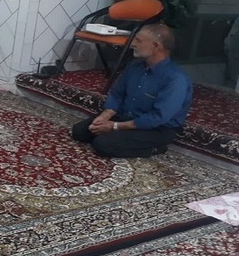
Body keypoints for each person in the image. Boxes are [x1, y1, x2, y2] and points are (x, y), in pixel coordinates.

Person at [71, 23, 193, 158]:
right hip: (128, 116)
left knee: (102, 144)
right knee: (79, 132)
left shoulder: (175, 79)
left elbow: (158, 117)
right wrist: (104, 117)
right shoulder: (135, 66)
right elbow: (117, 94)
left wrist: (114, 126)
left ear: (155, 46)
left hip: (156, 128)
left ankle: (155, 149)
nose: (132, 44)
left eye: (138, 40)